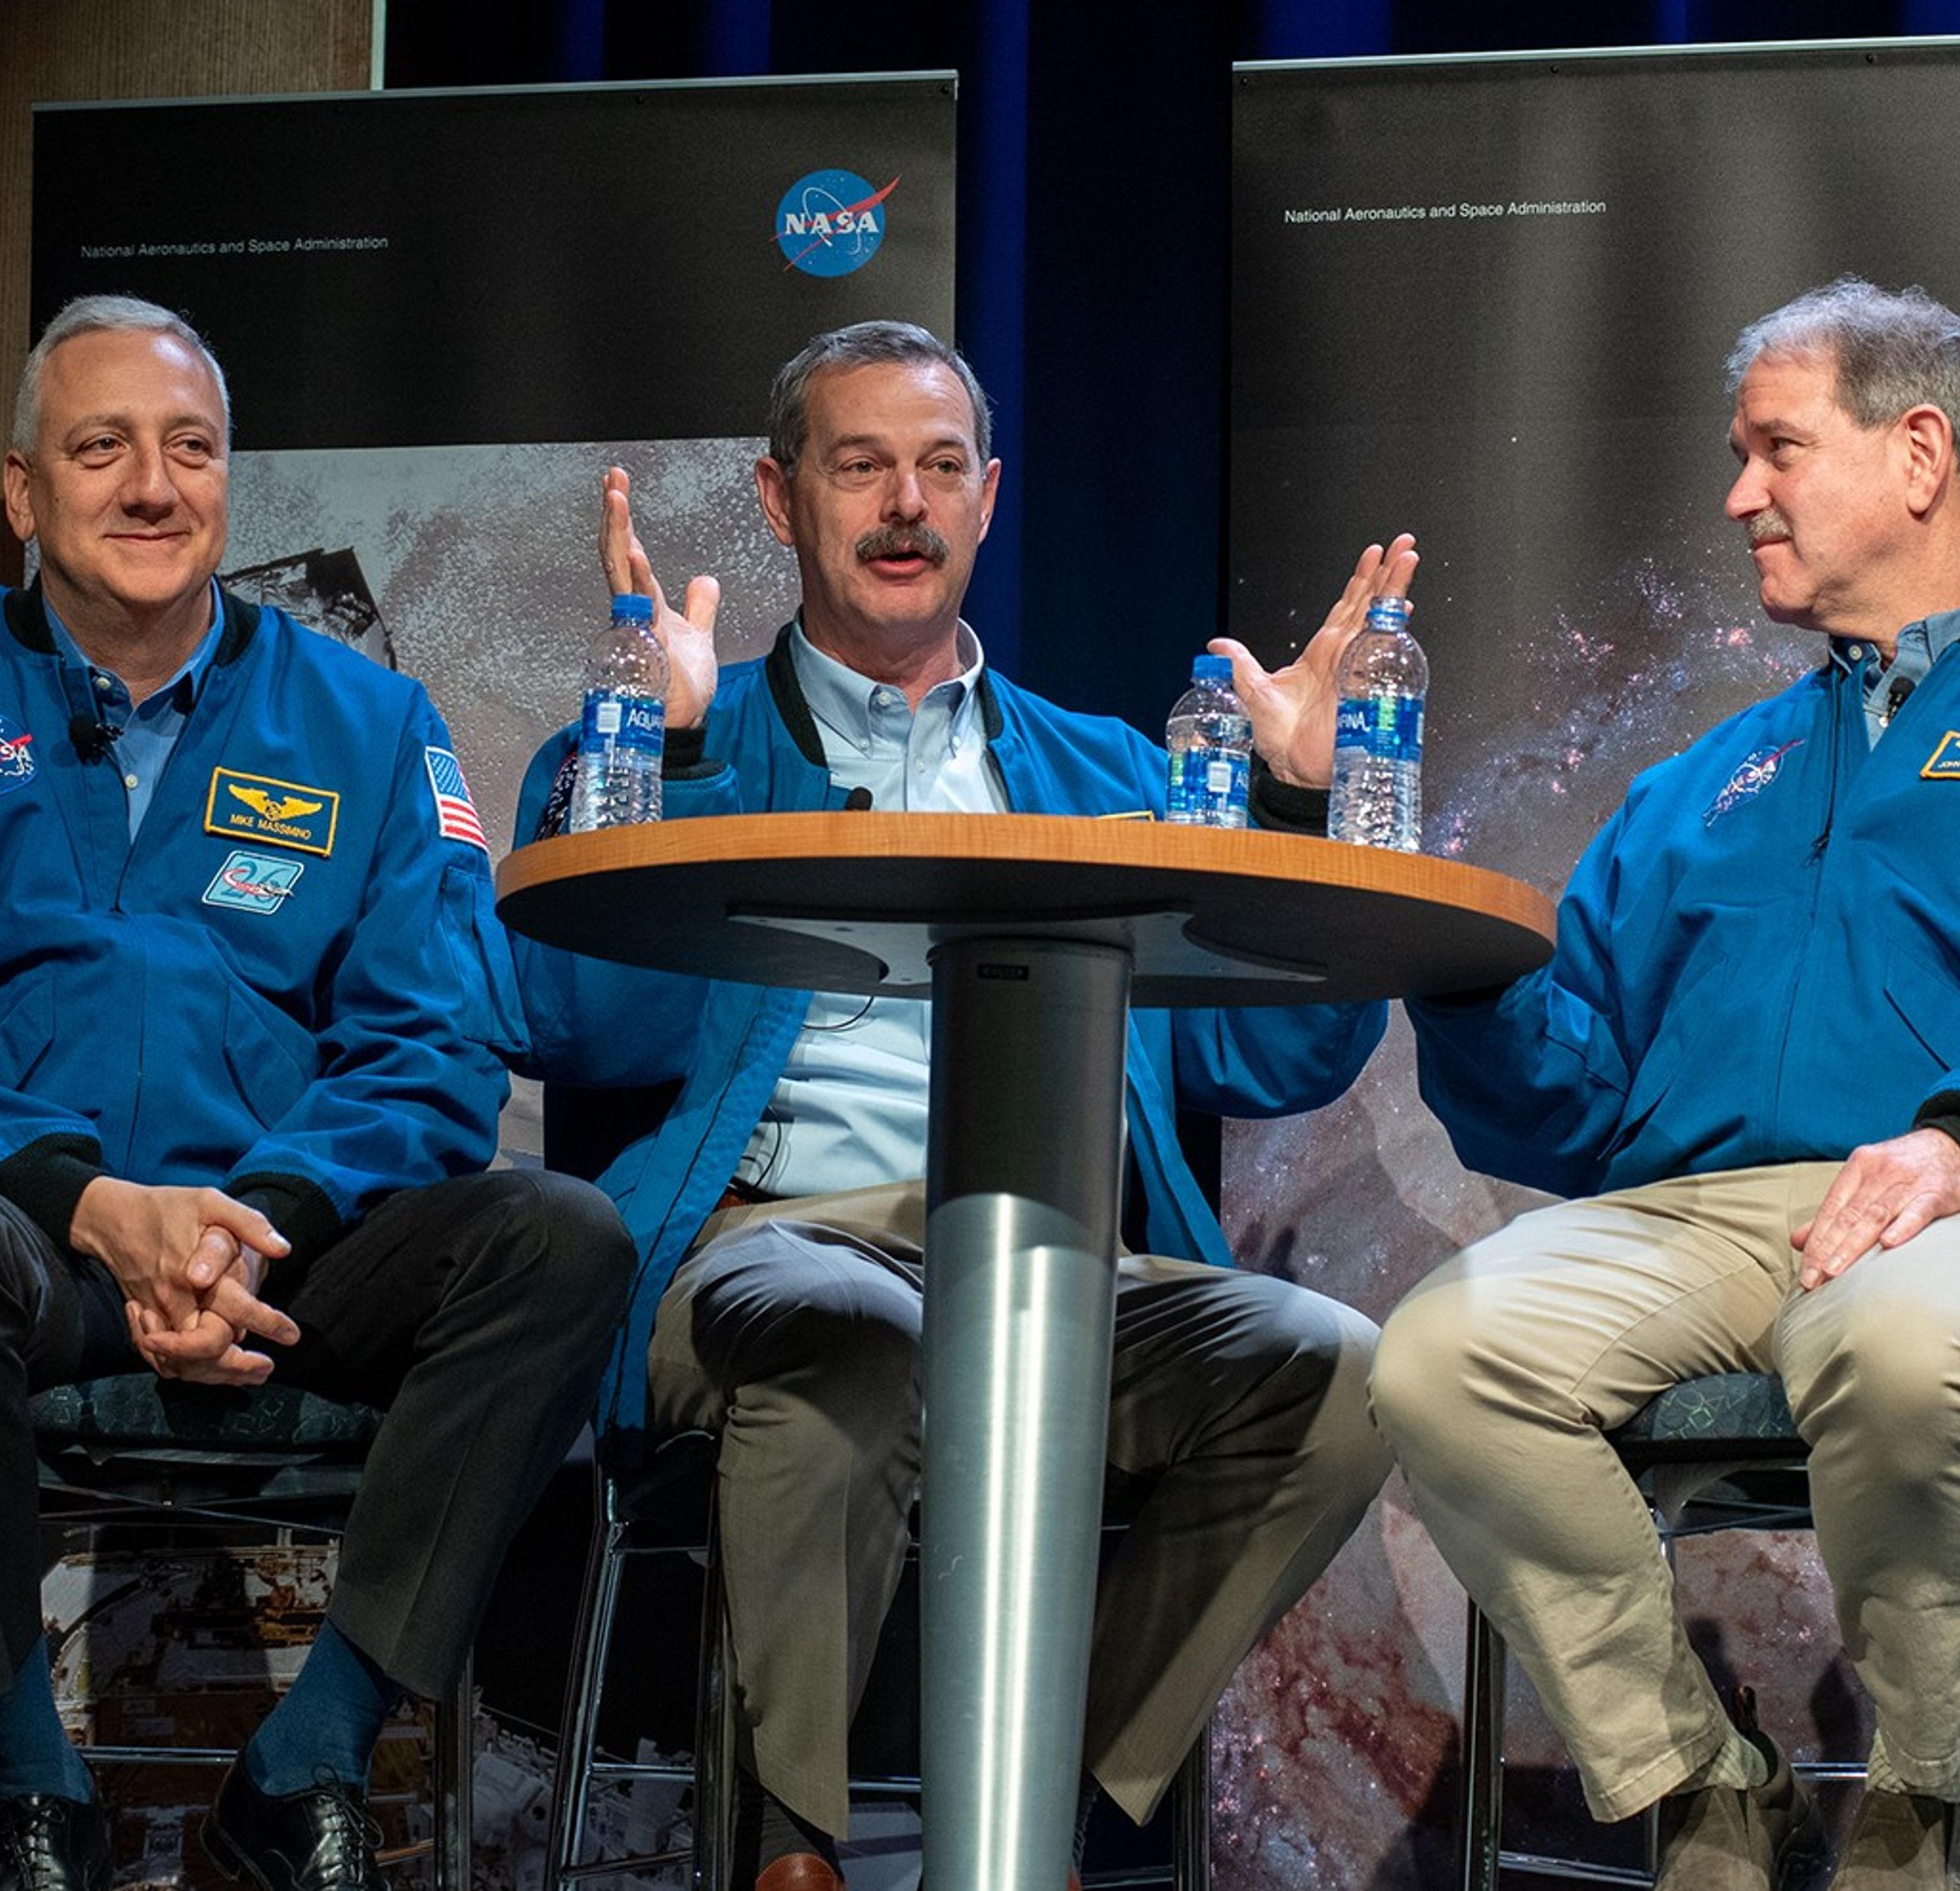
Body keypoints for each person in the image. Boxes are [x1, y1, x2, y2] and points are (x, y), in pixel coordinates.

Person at [1369, 276, 1960, 1890]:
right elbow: (1570, 1113)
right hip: (1706, 1227)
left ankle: (1923, 1794)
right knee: (1440, 1355)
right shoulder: (1704, 783)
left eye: (1775, 448)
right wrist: (1466, 978)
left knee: (1893, 1328)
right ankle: (1699, 1781)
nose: (1736, 494)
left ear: (1920, 455)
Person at [512, 319, 1402, 1891]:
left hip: (1050, 1268)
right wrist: (676, 745)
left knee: (1337, 1373)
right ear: (783, 505)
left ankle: (1036, 1825)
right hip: (770, 1247)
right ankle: (795, 1852)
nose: (904, 504)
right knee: (848, 1324)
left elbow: (1277, 1062)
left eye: (938, 469)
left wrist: (1295, 812)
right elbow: (571, 1016)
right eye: (860, 467)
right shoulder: (683, 727)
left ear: (990, 499)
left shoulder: (1116, 772)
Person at [0, 294, 632, 1891]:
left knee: (566, 1240)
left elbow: (437, 1043)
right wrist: (96, 1209)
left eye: (190, 448)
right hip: (24, 1250)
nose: (152, 485)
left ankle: (304, 1759)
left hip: (287, 1256)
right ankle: (35, 1795)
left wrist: (259, 1221)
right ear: (24, 493)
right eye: (99, 448)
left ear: (229, 484)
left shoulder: (372, 726)